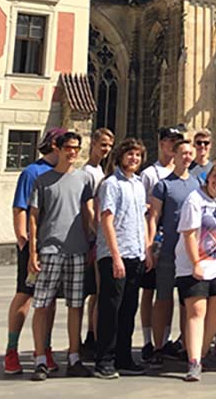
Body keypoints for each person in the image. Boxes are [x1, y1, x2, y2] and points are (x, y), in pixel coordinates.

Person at [28, 130, 95, 379]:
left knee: (76, 304)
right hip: (50, 250)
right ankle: (39, 358)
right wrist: (33, 251)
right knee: (42, 304)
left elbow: (88, 214)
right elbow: (33, 218)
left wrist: (93, 242)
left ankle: (74, 357)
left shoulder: (84, 179)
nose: (73, 152)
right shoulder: (42, 180)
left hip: (77, 250)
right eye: (69, 147)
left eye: (77, 148)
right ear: (58, 148)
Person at [3, 126, 64, 376]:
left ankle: (44, 348)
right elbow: (20, 208)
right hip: (34, 247)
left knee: (49, 300)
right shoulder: (32, 172)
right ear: (53, 145)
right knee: (25, 294)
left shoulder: (63, 173)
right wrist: (24, 242)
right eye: (66, 145)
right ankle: (11, 349)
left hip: (56, 246)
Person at [94, 137, 150, 378]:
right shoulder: (111, 184)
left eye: (137, 155)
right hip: (115, 255)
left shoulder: (138, 184)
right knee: (110, 308)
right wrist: (115, 256)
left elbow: (141, 219)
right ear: (120, 157)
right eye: (130, 154)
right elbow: (106, 219)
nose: (134, 159)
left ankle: (124, 357)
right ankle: (104, 360)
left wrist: (146, 250)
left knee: (128, 309)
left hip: (135, 253)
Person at [176, 161, 216, 381]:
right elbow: (188, 234)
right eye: (215, 177)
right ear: (208, 177)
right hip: (193, 264)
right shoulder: (194, 199)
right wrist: (196, 262)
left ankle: (202, 353)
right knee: (196, 312)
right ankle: (193, 362)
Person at [148, 135, 199, 364]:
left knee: (188, 302)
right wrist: (150, 246)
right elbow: (154, 217)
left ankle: (186, 346)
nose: (187, 157)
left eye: (190, 153)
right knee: (164, 299)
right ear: (174, 156)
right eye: (183, 153)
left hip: (191, 253)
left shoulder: (198, 183)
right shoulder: (163, 184)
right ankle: (159, 346)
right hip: (169, 250)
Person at [139, 127, 182, 361]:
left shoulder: (182, 173)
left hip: (174, 243)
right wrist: (148, 245)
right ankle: (148, 341)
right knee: (149, 292)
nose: (172, 146)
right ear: (161, 143)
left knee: (166, 294)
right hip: (155, 243)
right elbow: (146, 211)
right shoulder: (150, 174)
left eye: (176, 142)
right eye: (169, 141)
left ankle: (163, 341)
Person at [81, 127, 115, 356]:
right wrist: (94, 231)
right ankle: (92, 338)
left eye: (109, 146)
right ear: (92, 143)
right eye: (103, 145)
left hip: (96, 238)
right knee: (99, 291)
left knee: (96, 292)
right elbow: (87, 205)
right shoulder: (87, 172)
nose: (106, 149)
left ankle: (91, 336)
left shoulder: (99, 169)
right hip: (94, 239)